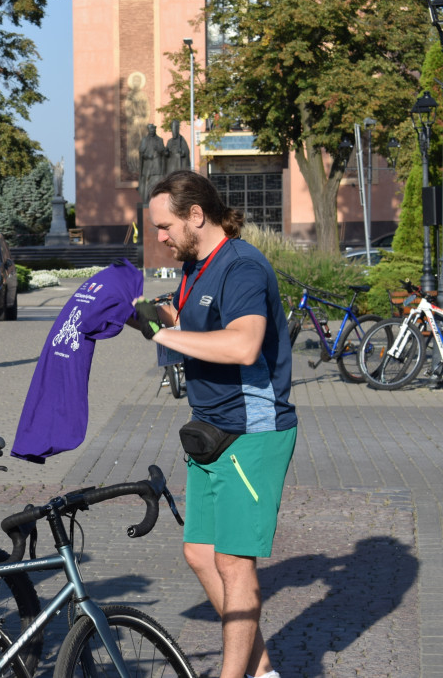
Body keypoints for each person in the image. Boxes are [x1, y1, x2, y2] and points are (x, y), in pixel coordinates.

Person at [130, 170, 295, 678]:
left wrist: (163, 335)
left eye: (164, 226)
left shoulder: (242, 266)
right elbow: (192, 327)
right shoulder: (195, 268)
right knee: (201, 553)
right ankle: (263, 670)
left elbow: (243, 344)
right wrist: (155, 317)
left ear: (196, 216)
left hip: (252, 433)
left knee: (233, 564)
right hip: (210, 429)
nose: (159, 237)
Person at [138, 123, 167, 203]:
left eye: (153, 129)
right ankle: (147, 200)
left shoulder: (159, 140)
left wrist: (159, 149)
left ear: (155, 130)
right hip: (148, 168)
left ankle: (157, 201)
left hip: (157, 168)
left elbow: (163, 151)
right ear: (148, 130)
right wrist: (148, 155)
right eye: (150, 129)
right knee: (147, 187)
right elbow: (141, 153)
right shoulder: (145, 140)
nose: (152, 131)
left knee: (157, 185)